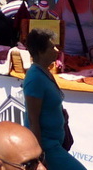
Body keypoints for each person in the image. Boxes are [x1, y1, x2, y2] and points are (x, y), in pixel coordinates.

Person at [22, 29, 82, 170]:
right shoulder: (35, 78)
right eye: (51, 47)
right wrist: (39, 155)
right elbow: (33, 120)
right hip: (47, 147)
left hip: (54, 144)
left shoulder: (45, 72)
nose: (56, 50)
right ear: (41, 52)